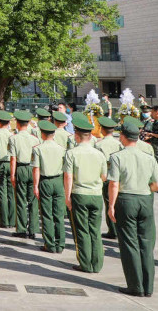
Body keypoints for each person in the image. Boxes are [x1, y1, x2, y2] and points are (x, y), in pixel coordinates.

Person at [108, 117, 158, 297]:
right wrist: (144, 188)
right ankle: (148, 287)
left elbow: (114, 183)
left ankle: (135, 286)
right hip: (145, 199)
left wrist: (111, 205)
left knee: (129, 244)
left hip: (126, 199)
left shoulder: (117, 157)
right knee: (146, 244)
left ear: (123, 137)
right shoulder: (148, 157)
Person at [64, 113, 108, 273]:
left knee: (82, 230)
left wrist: (67, 196)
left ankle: (85, 262)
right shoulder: (100, 154)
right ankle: (97, 264)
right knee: (95, 230)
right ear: (90, 136)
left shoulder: (72, 153)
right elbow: (104, 176)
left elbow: (68, 176)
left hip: (79, 193)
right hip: (96, 194)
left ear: (76, 135)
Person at [33, 120, 66, 253]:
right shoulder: (62, 149)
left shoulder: (38, 149)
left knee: (47, 214)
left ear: (42, 133)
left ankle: (49, 244)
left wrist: (35, 186)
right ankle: (60, 243)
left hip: (45, 181)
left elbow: (36, 168)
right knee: (58, 214)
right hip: (58, 181)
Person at [9, 110, 38, 239]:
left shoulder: (14, 138)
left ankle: (21, 228)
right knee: (33, 200)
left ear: (17, 123)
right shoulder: (35, 139)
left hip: (20, 168)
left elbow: (13, 158)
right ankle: (33, 229)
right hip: (32, 168)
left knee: (20, 199)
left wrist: (13, 174)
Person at [94, 116, 122, 239]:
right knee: (116, 203)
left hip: (105, 176)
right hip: (117, 176)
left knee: (108, 203)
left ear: (102, 130)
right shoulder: (119, 144)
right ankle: (118, 228)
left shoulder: (98, 145)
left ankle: (113, 230)